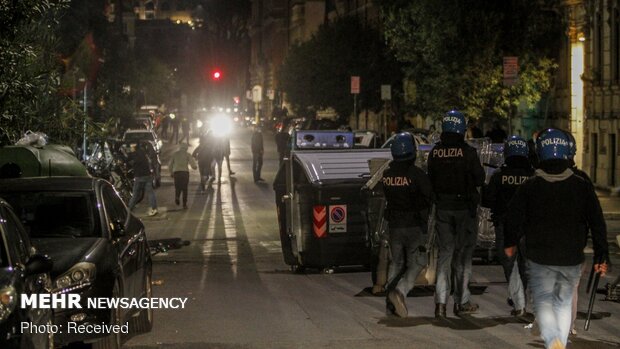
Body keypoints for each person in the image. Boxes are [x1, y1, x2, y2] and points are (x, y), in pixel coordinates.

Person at [504, 128, 609, 349]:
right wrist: (602, 253)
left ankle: (554, 341)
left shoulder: (530, 186)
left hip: (539, 255)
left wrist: (510, 242)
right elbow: (597, 222)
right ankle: (559, 341)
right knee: (562, 302)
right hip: (570, 256)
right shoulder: (581, 186)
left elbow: (512, 218)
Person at [427, 110, 485, 318]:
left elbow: (430, 180)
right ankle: (461, 301)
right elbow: (479, 179)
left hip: (443, 208)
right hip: (464, 210)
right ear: (461, 129)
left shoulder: (435, 152)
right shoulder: (468, 153)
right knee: (463, 258)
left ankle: (440, 304)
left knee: (445, 255)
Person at [481, 135, 534, 318]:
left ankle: (518, 299)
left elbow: (487, 200)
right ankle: (520, 298)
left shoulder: (499, 176)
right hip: (527, 227)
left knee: (509, 264)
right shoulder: (532, 176)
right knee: (525, 263)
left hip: (504, 225)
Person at [383, 132, 432, 318]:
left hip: (394, 226)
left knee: (396, 263)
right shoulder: (417, 174)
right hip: (414, 225)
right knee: (418, 262)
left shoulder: (387, 175)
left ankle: (390, 304)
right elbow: (428, 196)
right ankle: (400, 292)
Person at [126, 141, 158, 216]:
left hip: (139, 176)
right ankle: (154, 208)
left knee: (135, 194)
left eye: (131, 147)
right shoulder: (142, 152)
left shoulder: (134, 154)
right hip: (148, 175)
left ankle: (129, 209)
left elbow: (129, 161)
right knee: (150, 192)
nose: (130, 149)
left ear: (134, 147)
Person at [169, 143, 197, 209]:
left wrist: (171, 172)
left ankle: (177, 197)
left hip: (177, 173)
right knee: (185, 189)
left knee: (177, 187)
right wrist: (194, 167)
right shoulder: (188, 155)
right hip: (185, 173)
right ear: (186, 148)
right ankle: (184, 204)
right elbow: (193, 164)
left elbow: (170, 165)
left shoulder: (175, 154)